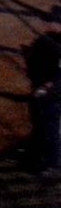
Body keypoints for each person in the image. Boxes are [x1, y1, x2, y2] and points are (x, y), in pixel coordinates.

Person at [27, 31, 61, 171]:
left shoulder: (48, 42)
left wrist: (47, 86)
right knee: (43, 124)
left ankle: (51, 160)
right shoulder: (45, 41)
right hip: (44, 90)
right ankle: (46, 157)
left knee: (48, 125)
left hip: (50, 93)